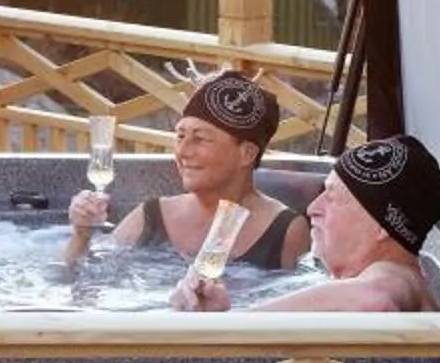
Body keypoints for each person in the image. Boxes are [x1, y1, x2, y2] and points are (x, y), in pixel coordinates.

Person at [173, 133, 440, 314]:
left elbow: (374, 300)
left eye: (331, 197)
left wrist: (234, 326)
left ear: (383, 225)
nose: (312, 209)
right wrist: (222, 314)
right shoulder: (395, 277)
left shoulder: (395, 276)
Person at [65, 70, 309, 275]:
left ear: (246, 153)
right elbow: (81, 281)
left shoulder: (285, 231)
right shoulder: (152, 216)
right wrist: (81, 236)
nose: (183, 151)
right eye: (180, 136)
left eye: (200, 139)